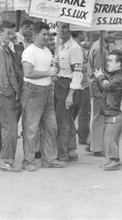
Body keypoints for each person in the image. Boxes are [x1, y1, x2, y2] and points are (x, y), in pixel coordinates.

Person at [21, 21, 66, 171]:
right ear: (35, 35)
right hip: (33, 91)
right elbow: (28, 73)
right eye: (43, 34)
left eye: (48, 34)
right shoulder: (30, 51)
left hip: (47, 90)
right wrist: (48, 73)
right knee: (31, 128)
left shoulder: (47, 50)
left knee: (51, 126)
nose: (46, 37)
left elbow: (53, 71)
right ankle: (28, 161)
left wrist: (56, 66)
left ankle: (49, 158)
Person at [0, 20, 23, 172]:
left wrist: (16, 43)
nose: (11, 35)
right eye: (8, 33)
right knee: (10, 128)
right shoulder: (0, 50)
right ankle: (6, 161)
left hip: (1, 92)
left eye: (12, 33)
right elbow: (1, 76)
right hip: (4, 92)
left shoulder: (5, 48)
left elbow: (16, 63)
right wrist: (10, 93)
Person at [54, 22, 84, 162]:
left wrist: (71, 94)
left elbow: (77, 72)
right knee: (68, 120)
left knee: (63, 120)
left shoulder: (74, 48)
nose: (62, 30)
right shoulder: (58, 46)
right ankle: (71, 149)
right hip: (59, 83)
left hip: (69, 86)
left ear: (71, 29)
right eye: (60, 27)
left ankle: (63, 152)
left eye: (65, 27)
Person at [93, 50, 122, 171]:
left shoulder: (118, 78)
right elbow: (102, 87)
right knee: (107, 139)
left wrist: (100, 77)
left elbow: (106, 86)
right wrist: (101, 78)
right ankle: (110, 159)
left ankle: (115, 160)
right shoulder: (112, 76)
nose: (108, 63)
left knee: (110, 139)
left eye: (111, 61)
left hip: (115, 116)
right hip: (110, 114)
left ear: (118, 64)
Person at [87, 31, 119, 156]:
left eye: (113, 32)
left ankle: (92, 142)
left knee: (99, 115)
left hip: (99, 85)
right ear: (102, 32)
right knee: (99, 117)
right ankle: (97, 147)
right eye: (109, 32)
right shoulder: (100, 50)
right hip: (99, 86)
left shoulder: (104, 47)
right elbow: (99, 72)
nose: (112, 35)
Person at [71, 30, 91, 145]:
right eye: (84, 32)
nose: (86, 35)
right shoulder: (75, 48)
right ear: (79, 33)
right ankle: (83, 137)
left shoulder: (77, 46)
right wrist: (88, 66)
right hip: (81, 84)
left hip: (79, 83)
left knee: (75, 112)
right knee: (84, 112)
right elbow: (77, 66)